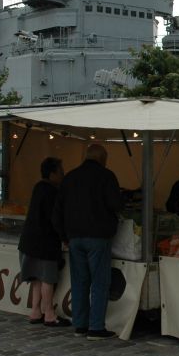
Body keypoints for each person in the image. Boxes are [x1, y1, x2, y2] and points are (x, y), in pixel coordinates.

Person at [52, 143, 122, 340]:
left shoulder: (70, 178)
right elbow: (116, 204)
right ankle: (96, 327)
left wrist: (64, 236)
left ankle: (80, 324)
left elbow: (57, 212)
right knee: (99, 282)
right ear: (103, 158)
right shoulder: (107, 176)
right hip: (98, 237)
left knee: (79, 281)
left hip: (75, 238)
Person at [18, 157, 70, 327]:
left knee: (36, 279)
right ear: (53, 173)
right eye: (61, 171)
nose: (63, 175)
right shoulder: (52, 192)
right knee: (47, 278)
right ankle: (49, 313)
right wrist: (64, 237)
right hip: (44, 243)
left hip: (29, 241)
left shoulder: (38, 188)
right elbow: (55, 219)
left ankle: (35, 311)